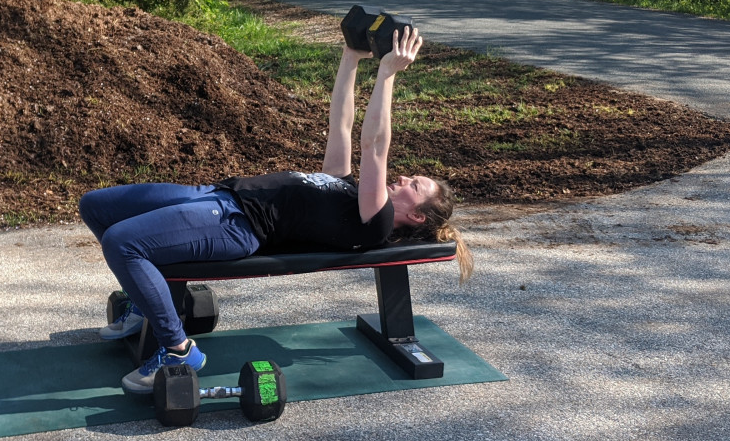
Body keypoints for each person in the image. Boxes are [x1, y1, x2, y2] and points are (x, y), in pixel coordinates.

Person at [78, 25, 473, 394]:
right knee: (96, 206)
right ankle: (144, 301)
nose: (403, 178)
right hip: (216, 196)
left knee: (122, 243)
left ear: (416, 215)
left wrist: (387, 74)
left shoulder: (376, 219)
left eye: (414, 186)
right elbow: (342, 125)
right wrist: (350, 57)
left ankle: (177, 348)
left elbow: (374, 147)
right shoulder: (347, 188)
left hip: (235, 224)